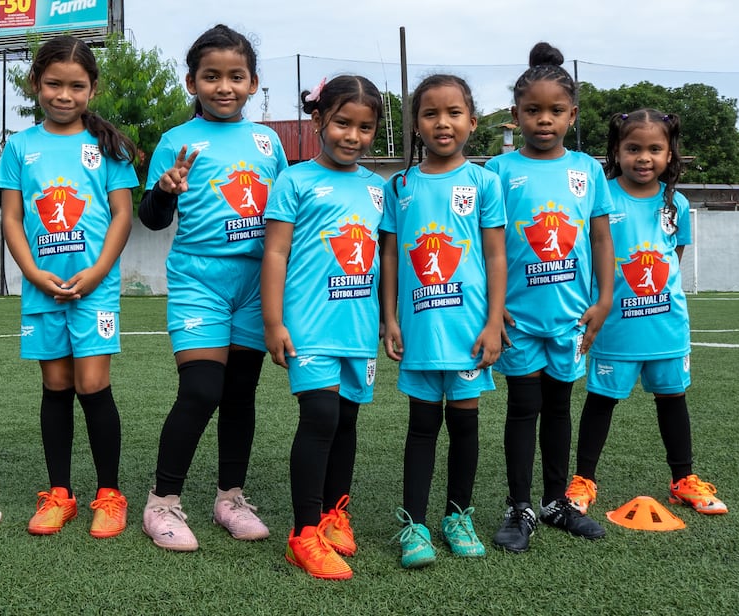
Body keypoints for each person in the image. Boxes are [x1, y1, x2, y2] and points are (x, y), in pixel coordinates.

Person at [137, 24, 287, 552]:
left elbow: (285, 216)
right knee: (201, 390)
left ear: (253, 83)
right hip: (200, 279)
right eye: (211, 76)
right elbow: (154, 220)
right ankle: (162, 502)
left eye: (236, 76)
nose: (224, 86)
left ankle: (230, 498)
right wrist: (163, 190)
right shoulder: (176, 143)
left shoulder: (268, 142)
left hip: (254, 284)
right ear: (192, 82)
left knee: (240, 393)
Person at [0, 36, 137, 539]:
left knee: (93, 385)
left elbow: (123, 213)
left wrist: (98, 271)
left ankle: (109, 494)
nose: (63, 94)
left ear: (92, 89)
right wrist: (32, 273)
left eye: (76, 86)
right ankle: (60, 494)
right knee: (55, 386)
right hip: (42, 287)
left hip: (93, 287)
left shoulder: (107, 146)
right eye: (53, 83)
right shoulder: (20, 146)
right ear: (36, 84)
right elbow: (10, 217)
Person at [565, 109, 727, 517]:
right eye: (633, 148)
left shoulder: (679, 203)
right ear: (616, 152)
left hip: (665, 327)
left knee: (672, 399)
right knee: (601, 402)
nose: (644, 157)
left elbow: (673, 259)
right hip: (615, 328)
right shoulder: (601, 197)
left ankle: (683, 480)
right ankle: (583, 480)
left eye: (655, 149)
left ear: (670, 154)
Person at [486, 42, 614, 552]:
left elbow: (602, 239)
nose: (544, 120)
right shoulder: (499, 171)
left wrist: (603, 302)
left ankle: (556, 502)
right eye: (533, 111)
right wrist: (493, 314)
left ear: (572, 114)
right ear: (516, 115)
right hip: (517, 319)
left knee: (559, 407)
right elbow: (485, 249)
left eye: (555, 111)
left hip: (570, 320)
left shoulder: (588, 170)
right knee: (523, 407)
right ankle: (520, 507)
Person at [379, 75, 506, 567]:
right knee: (421, 427)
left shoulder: (484, 182)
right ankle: (415, 524)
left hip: (469, 331)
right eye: (430, 113)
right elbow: (389, 255)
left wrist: (494, 321)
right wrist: (388, 317)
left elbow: (497, 257)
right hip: (418, 330)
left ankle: (458, 516)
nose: (442, 122)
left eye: (454, 112)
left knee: (465, 426)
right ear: (416, 124)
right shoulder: (401, 185)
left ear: (472, 122)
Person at [262, 75, 385, 580]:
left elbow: (390, 257)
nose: (352, 136)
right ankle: (304, 534)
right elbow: (275, 251)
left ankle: (336, 516)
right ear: (319, 121)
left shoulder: (380, 189)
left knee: (347, 422)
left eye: (365, 127)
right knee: (319, 417)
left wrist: (388, 319)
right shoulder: (294, 181)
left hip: (359, 328)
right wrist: (273, 320)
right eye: (342, 123)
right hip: (309, 326)